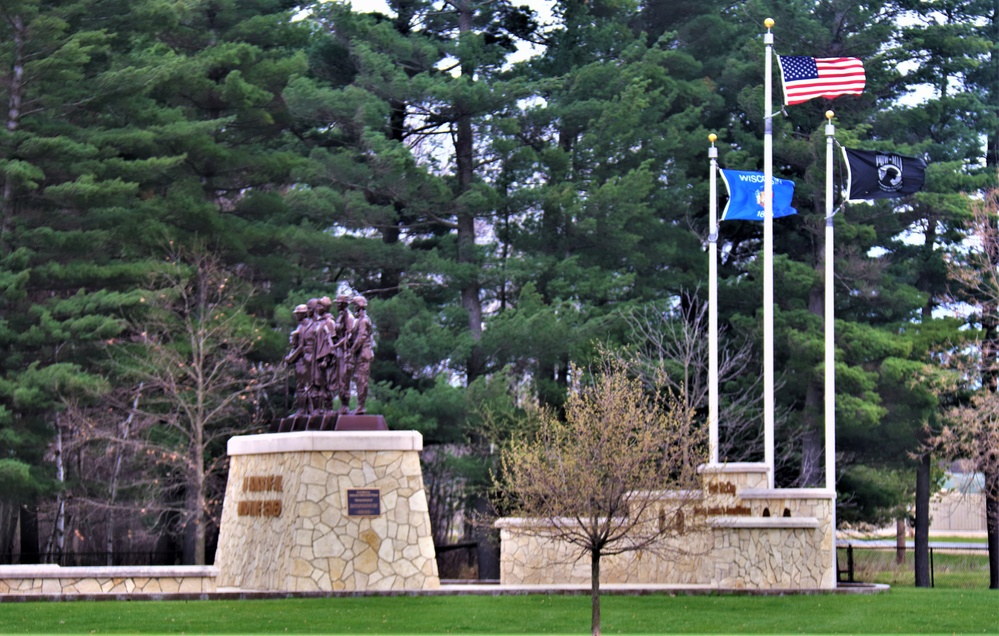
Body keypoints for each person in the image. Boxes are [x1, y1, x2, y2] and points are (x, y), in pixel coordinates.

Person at [347, 296, 375, 415]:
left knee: (362, 380)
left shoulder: (363, 320)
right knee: (359, 379)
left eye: (355, 305)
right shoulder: (358, 320)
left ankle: (361, 406)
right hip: (360, 353)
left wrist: (352, 351)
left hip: (363, 353)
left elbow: (361, 337)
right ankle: (359, 405)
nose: (354, 307)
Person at [307, 296, 335, 412]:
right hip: (316, 357)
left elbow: (331, 341)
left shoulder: (329, 322)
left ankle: (328, 408)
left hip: (324, 358)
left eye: (320, 306)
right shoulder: (320, 322)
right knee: (316, 384)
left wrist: (326, 359)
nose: (317, 308)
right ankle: (317, 410)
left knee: (325, 385)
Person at [283, 304, 311, 415]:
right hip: (301, 360)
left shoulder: (305, 327)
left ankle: (303, 409)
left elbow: (300, 347)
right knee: (303, 386)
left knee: (301, 386)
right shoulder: (301, 326)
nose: (297, 316)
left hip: (303, 360)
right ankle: (306, 409)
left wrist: (290, 358)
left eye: (298, 314)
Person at [332, 294, 355, 414]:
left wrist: (337, 344)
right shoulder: (339, 317)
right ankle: (342, 405)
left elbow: (349, 335)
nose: (336, 305)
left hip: (346, 352)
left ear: (343, 304)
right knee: (339, 379)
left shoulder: (349, 317)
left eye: (338, 303)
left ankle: (345, 405)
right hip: (339, 352)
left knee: (344, 379)